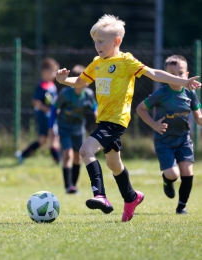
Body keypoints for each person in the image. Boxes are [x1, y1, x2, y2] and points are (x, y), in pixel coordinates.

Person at [56, 15, 201, 222]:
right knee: (114, 165)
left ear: (116, 41)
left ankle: (100, 195)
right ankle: (132, 197)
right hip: (104, 120)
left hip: (116, 120)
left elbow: (155, 74)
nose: (97, 46)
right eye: (95, 41)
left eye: (101, 41)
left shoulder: (125, 61)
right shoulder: (97, 63)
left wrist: (183, 81)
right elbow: (80, 82)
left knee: (85, 150)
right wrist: (63, 80)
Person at [137, 55, 202, 214]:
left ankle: (181, 206)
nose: (177, 77)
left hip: (183, 140)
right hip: (164, 140)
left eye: (180, 73)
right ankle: (168, 181)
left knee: (187, 172)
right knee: (173, 174)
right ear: (165, 76)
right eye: (172, 74)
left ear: (187, 75)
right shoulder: (161, 94)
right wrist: (154, 124)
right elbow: (140, 109)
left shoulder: (190, 94)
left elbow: (198, 117)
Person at [49, 65, 97, 194]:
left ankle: (73, 186)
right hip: (64, 128)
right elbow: (54, 108)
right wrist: (51, 127)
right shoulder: (65, 94)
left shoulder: (88, 94)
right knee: (68, 154)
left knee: (77, 157)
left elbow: (94, 106)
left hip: (78, 129)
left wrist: (96, 112)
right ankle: (68, 186)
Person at [16, 58, 60, 164]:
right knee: (54, 137)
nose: (54, 75)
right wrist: (49, 110)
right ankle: (58, 162)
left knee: (42, 140)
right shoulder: (42, 86)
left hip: (51, 115)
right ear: (45, 72)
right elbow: (35, 101)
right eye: (53, 72)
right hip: (45, 116)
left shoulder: (52, 85)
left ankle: (22, 155)